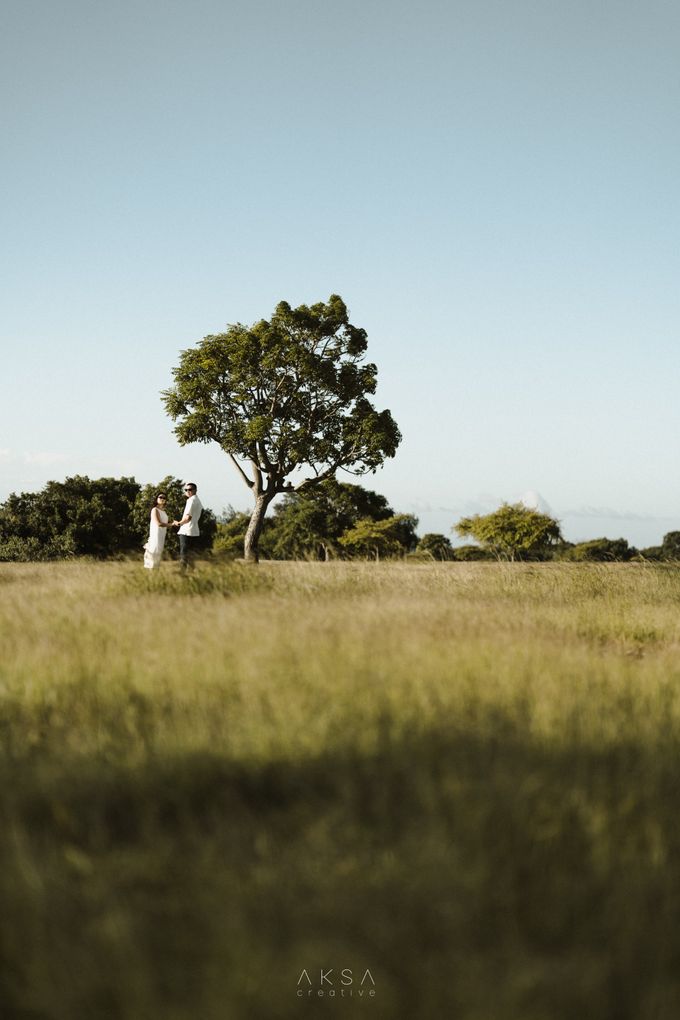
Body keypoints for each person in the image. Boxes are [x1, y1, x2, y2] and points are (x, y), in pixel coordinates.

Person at [173, 482, 203, 570]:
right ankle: (191, 575)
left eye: (190, 489)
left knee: (184, 554)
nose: (187, 491)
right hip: (195, 531)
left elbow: (188, 517)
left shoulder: (191, 500)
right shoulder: (198, 501)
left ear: (195, 490)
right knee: (192, 556)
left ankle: (182, 574)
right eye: (186, 490)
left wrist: (178, 523)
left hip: (186, 531)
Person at [143, 492, 172, 569]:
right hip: (155, 536)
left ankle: (155, 577)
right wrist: (171, 524)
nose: (162, 499)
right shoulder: (155, 510)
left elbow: (164, 523)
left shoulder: (164, 512)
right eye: (160, 497)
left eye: (164, 498)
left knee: (158, 557)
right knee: (153, 555)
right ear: (156, 499)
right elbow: (159, 523)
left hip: (161, 536)